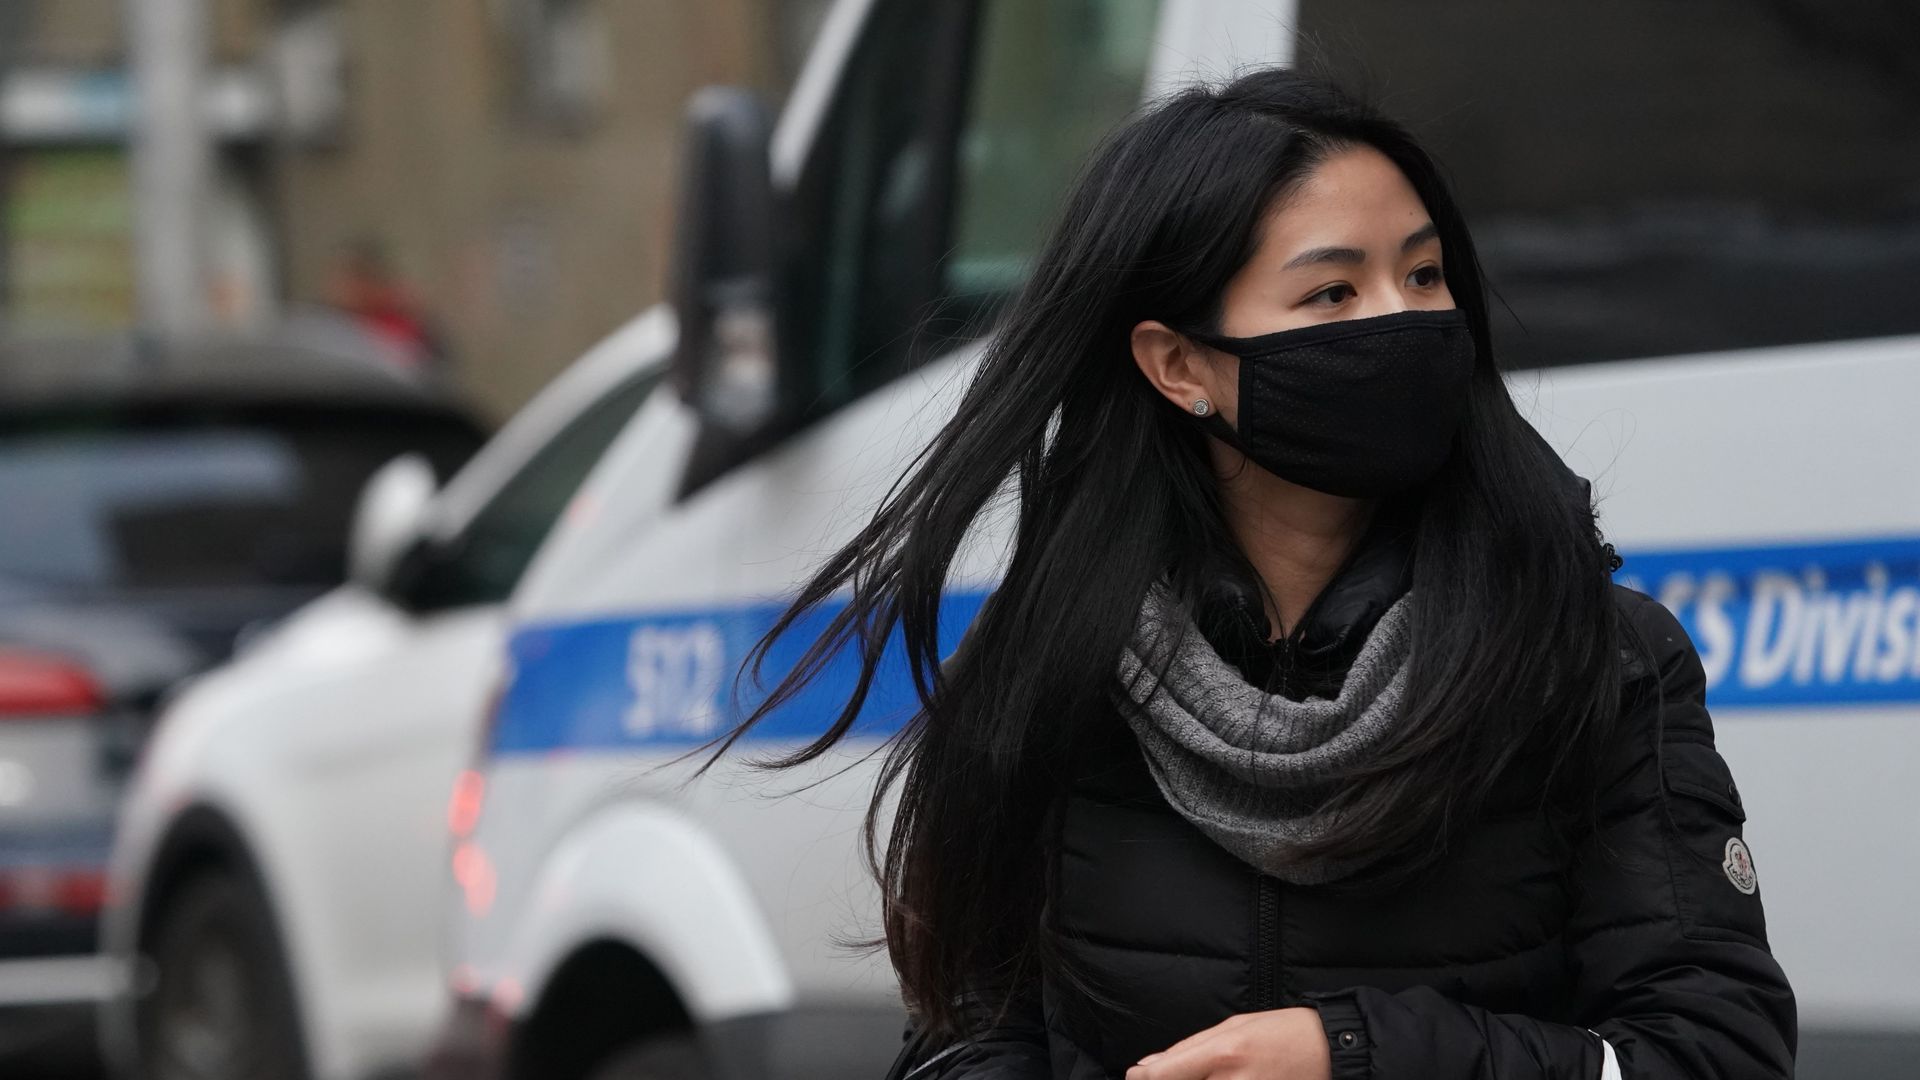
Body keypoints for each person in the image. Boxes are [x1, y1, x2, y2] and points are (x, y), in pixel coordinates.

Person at [719, 68, 1796, 1079]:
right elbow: (967, 1029)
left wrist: (1362, 1055)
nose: (1403, 320)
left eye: (1424, 275)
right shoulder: (1050, 658)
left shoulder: (1593, 658)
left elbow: (1716, 1049)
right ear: (1179, 367)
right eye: (1333, 293)